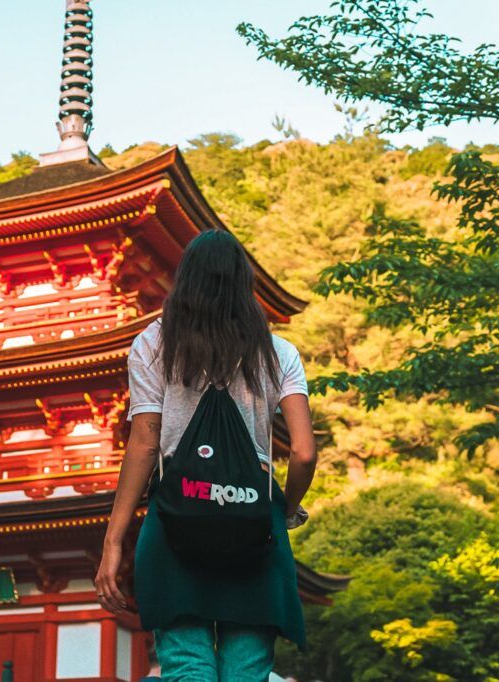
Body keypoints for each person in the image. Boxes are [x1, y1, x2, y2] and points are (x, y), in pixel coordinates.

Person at [95, 230, 318, 681]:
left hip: (177, 519)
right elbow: (304, 452)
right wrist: (286, 509)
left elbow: (144, 442)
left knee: (186, 666)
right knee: (246, 672)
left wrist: (114, 539)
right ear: (243, 282)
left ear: (186, 280)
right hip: (253, 523)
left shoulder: (153, 345)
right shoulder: (279, 353)